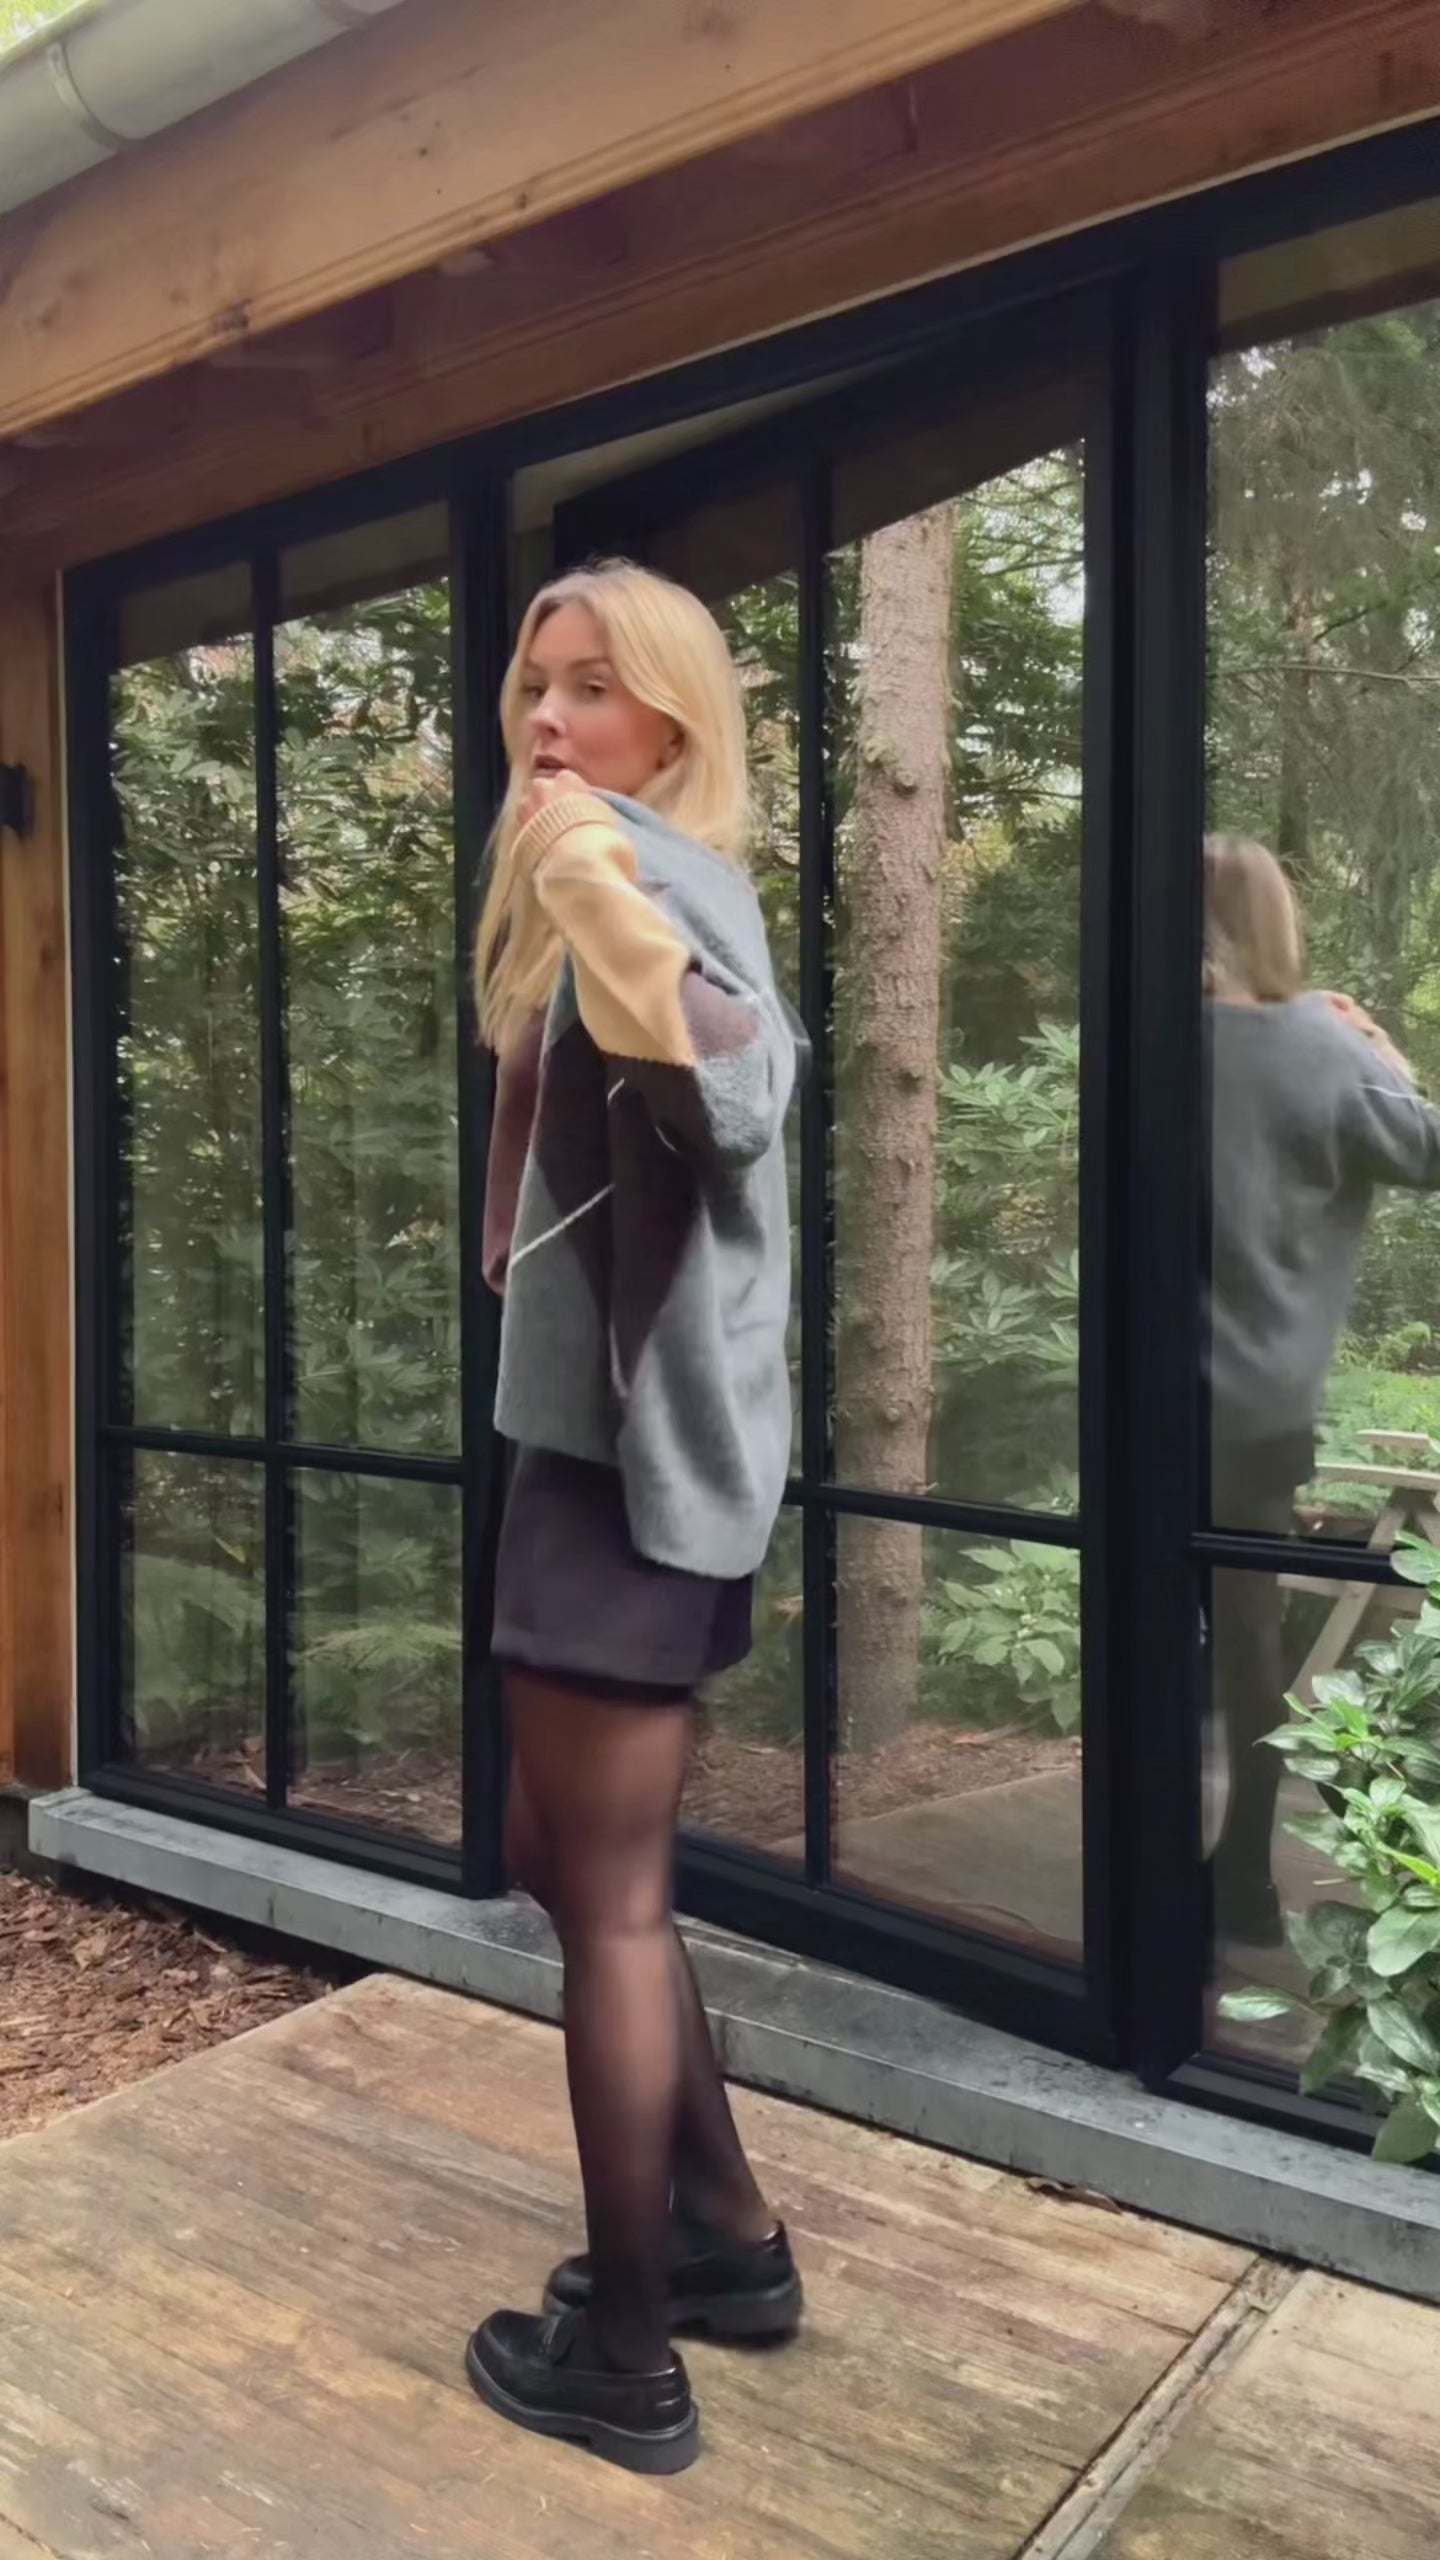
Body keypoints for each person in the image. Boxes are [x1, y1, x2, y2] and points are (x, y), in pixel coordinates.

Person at [464, 561, 805, 2474]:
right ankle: (727, 2234)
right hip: (599, 1448)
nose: (549, 717)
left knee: (604, 1895)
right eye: (538, 683)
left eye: (592, 686)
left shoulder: (656, 873)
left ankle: (628, 2357)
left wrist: (595, 879)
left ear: (670, 718)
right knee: (558, 1846)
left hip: (628, 1467)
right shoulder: (623, 873)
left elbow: (738, 1094)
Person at [1204, 832, 1440, 1945]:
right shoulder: (1323, 1047)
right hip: (1257, 1409)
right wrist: (1380, 1042)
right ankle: (1243, 1878)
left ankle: (1147, 1862)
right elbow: (1430, 1148)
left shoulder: (1148, 1038)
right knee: (1247, 1639)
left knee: (1147, 1623)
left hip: (1139, 1395)